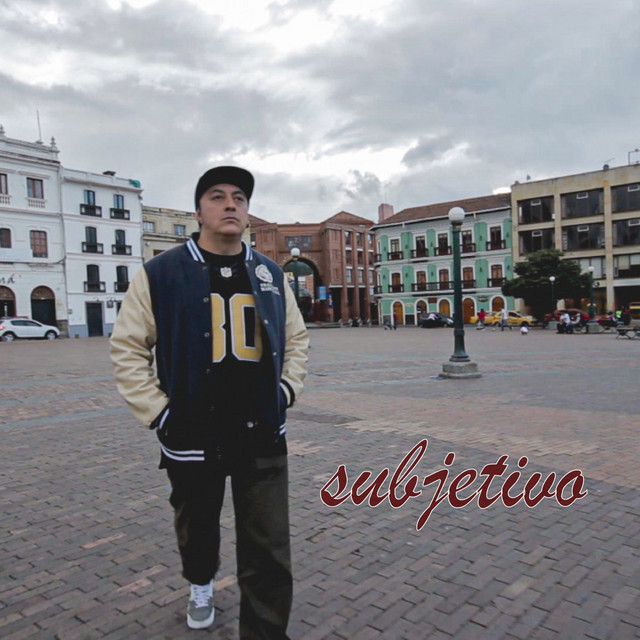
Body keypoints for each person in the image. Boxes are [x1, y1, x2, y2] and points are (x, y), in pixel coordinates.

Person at [110, 166, 309, 637]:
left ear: (247, 211)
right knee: (197, 527)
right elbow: (128, 347)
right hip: (192, 431)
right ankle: (200, 582)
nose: (230, 204)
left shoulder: (269, 273)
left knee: (269, 548)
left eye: (239, 197)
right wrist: (160, 413)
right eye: (217, 196)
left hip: (261, 429)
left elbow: (297, 340)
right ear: (198, 212)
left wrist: (285, 391)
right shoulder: (161, 272)